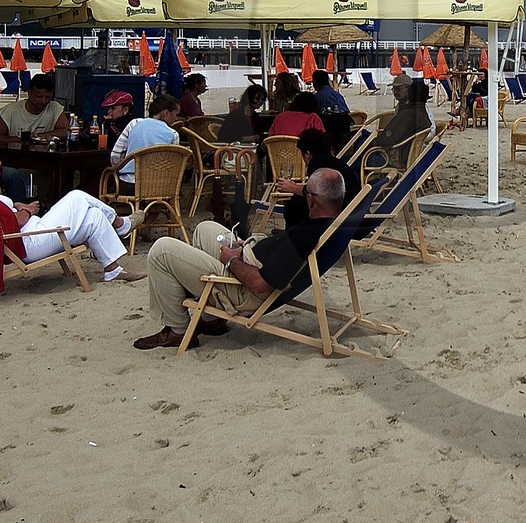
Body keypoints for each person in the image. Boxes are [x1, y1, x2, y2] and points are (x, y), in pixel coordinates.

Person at [132, 167, 349, 349]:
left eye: (305, 191)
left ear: (312, 200)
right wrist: (245, 248)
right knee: (204, 229)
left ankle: (178, 330)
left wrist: (231, 260)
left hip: (241, 290)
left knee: (161, 250)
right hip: (247, 259)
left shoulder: (304, 237)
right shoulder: (329, 224)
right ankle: (211, 320)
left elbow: (258, 283)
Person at [0, 148, 144, 287]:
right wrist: (28, 211)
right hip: (30, 242)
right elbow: (10, 223)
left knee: (93, 216)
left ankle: (113, 271)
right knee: (77, 197)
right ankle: (120, 224)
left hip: (30, 234)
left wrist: (16, 205)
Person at [271, 128, 360, 227]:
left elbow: (319, 193)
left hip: (342, 211)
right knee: (298, 200)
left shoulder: (316, 163)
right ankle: (293, 233)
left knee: (293, 207)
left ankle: (293, 237)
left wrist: (292, 188)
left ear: (307, 153)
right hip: (353, 208)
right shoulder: (330, 161)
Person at [110, 93, 181, 183]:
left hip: (129, 183)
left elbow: (116, 154)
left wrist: (118, 170)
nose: (176, 119)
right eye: (175, 115)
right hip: (159, 187)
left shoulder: (134, 123)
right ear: (166, 113)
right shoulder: (173, 134)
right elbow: (174, 165)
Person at [0, 73, 70, 143]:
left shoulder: (55, 108)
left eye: (47, 97)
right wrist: (19, 140)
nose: (43, 101)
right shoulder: (9, 112)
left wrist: (37, 136)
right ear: (29, 92)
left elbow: (66, 130)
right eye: (39, 97)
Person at [374, 76, 431, 168]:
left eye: (398, 89)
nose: (395, 92)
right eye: (394, 89)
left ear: (409, 90)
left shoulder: (409, 112)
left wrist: (417, 140)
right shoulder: (416, 108)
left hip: (402, 155)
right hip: (406, 150)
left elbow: (430, 131)